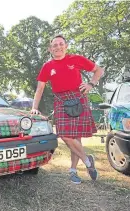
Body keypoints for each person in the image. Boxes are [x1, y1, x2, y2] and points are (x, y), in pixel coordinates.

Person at [31, 35, 104, 184]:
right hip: (61, 101)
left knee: (76, 138)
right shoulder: (47, 66)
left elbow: (99, 70)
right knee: (65, 135)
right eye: (54, 45)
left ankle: (73, 171)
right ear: (50, 49)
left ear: (66, 46)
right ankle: (88, 161)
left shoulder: (76, 59)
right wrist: (34, 107)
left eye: (60, 44)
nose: (58, 47)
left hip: (79, 98)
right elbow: (40, 88)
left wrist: (91, 84)